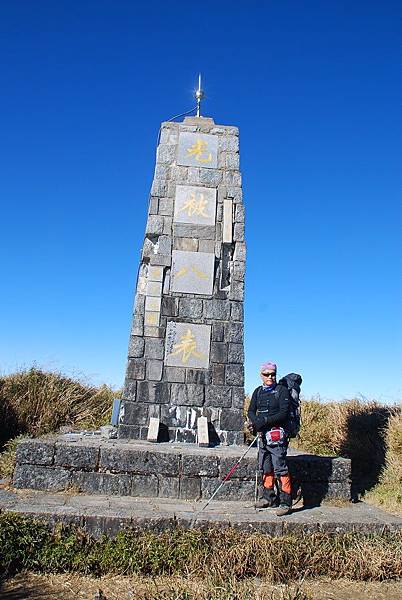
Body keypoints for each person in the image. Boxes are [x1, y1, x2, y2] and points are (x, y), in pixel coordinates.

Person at [247, 361, 292, 516]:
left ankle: (285, 502)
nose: (270, 377)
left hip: (277, 436)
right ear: (261, 375)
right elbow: (251, 410)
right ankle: (268, 498)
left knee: (280, 468)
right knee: (266, 467)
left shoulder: (282, 391)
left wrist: (264, 421)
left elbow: (283, 414)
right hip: (263, 437)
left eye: (273, 374)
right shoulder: (258, 391)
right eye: (266, 374)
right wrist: (255, 421)